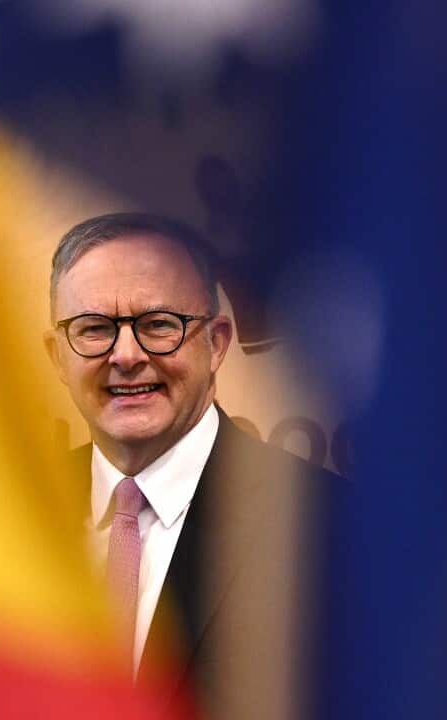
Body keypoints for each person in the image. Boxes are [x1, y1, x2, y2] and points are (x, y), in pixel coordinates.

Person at [44, 212, 339, 718]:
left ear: (217, 343)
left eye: (158, 325)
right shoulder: (9, 510)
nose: (126, 355)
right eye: (94, 329)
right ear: (57, 357)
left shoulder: (325, 525)